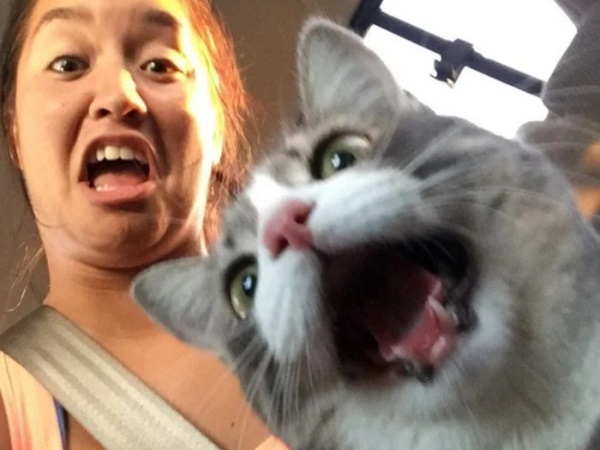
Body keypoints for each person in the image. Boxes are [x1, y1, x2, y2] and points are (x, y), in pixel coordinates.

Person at [0, 0, 281, 449]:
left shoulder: (349, 317)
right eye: (68, 64)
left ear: (216, 124)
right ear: (15, 131)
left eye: (160, 65)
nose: (119, 96)